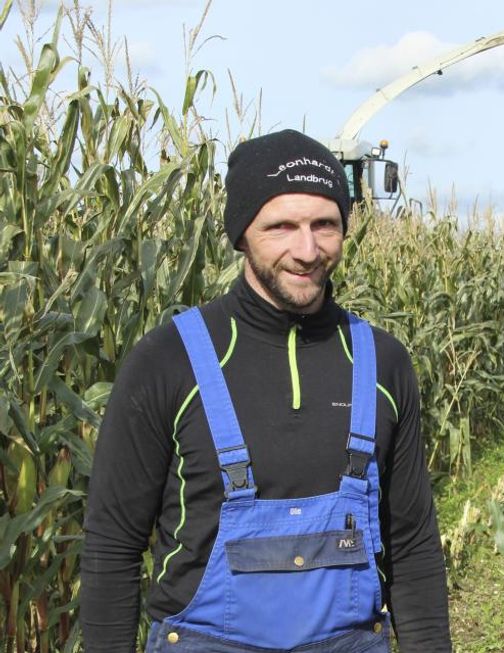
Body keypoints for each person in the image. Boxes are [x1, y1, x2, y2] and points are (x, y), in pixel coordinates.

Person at [80, 129, 452, 652]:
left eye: (325, 224)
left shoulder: (382, 364)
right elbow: (112, 547)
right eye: (282, 226)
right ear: (241, 233)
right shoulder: (167, 361)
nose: (307, 250)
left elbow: (412, 546)